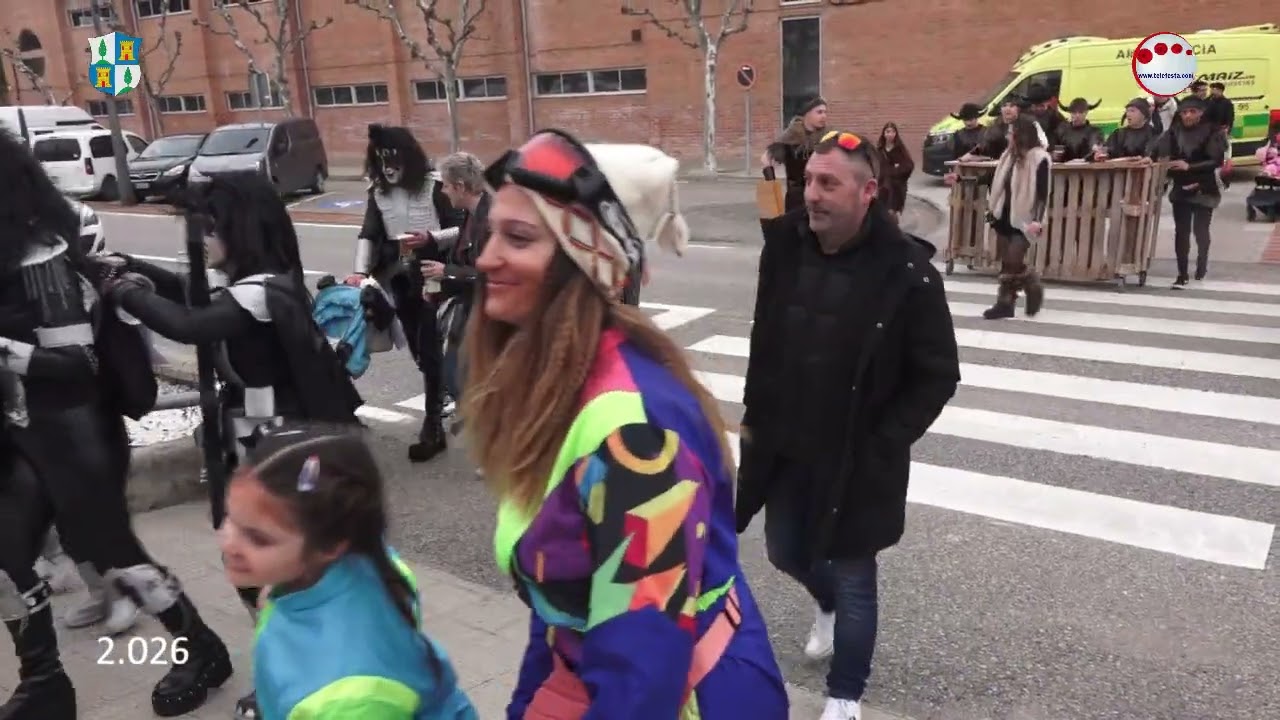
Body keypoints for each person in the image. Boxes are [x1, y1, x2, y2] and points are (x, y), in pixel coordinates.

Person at [466, 129, 787, 719]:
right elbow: (560, 621)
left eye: (517, 237)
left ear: (584, 261)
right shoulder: (554, 388)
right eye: (489, 232)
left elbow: (643, 674)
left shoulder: (635, 435)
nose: (485, 257)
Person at [84, 173, 362, 720]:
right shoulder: (262, 283)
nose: (204, 239)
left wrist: (126, 291)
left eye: (211, 228)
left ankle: (304, 677)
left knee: (280, 572)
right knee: (261, 570)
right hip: (264, 451)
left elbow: (191, 324)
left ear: (240, 228)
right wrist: (139, 272)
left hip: (285, 458)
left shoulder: (263, 289)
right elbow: (196, 301)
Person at [0, 127, 232, 719]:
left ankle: (199, 645)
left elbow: (76, 366)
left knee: (116, 555)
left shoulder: (44, 246)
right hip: (17, 428)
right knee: (6, 550)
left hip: (75, 425)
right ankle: (45, 682)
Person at [735, 129, 960, 720]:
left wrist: (884, 440)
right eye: (809, 179)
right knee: (785, 550)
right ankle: (825, 605)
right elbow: (766, 339)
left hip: (858, 456)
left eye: (828, 183)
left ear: (867, 193)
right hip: (784, 442)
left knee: (856, 571)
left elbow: (937, 375)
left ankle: (845, 693)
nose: (811, 194)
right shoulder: (782, 245)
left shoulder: (908, 272)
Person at [218, 422, 478, 719]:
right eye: (231, 517)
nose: (228, 542)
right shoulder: (357, 560)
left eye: (258, 537)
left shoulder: (347, 698)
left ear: (328, 546)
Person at [345, 124, 461, 463]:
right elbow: (369, 232)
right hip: (397, 278)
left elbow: (460, 227)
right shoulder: (377, 193)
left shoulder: (433, 187)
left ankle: (432, 424)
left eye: (393, 158)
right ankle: (438, 399)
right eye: (381, 160)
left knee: (430, 346)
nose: (388, 167)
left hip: (433, 275)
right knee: (420, 352)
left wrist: (431, 238)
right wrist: (360, 270)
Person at [425, 151, 489, 417]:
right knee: (455, 372)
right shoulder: (472, 213)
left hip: (490, 316)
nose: (444, 192)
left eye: (447, 186)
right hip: (471, 307)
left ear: (461, 187)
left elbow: (491, 274)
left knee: (461, 374)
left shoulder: (492, 219)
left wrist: (447, 272)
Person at [975, 116, 1052, 319]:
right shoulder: (1008, 156)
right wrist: (961, 179)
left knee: (1013, 259)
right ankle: (1007, 303)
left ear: (1021, 135)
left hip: (1025, 218)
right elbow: (994, 179)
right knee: (1007, 263)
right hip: (1003, 215)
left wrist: (1037, 220)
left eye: (1011, 132)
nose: (1007, 136)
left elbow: (1043, 192)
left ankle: (1031, 285)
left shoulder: (1039, 158)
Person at [1150, 95, 1228, 286]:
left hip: (1204, 186)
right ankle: (1182, 273)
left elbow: (1215, 160)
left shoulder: (1212, 131)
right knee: (1181, 232)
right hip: (1181, 187)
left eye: (1192, 112)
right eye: (1184, 112)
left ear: (1201, 113)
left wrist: (1189, 167)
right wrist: (1160, 160)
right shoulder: (1174, 132)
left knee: (1201, 230)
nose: (1187, 116)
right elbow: (1158, 150)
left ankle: (1202, 264)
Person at [764, 96, 829, 211]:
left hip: (822, 196)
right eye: (819, 112)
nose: (824, 116)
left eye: (825, 112)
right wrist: (772, 187)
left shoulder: (829, 137)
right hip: (796, 199)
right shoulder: (790, 137)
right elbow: (766, 159)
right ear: (807, 113)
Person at [876, 122, 914, 223]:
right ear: (884, 134)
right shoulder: (879, 150)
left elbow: (909, 165)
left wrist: (895, 171)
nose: (890, 134)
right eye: (888, 132)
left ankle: (893, 232)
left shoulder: (900, 149)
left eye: (893, 132)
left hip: (896, 187)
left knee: (891, 213)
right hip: (882, 187)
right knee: (882, 214)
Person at [1053, 98, 1103, 162]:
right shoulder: (1061, 131)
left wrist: (1084, 160)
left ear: (1086, 113)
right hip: (1065, 167)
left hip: (1087, 167)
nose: (1077, 115)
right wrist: (1055, 155)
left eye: (1080, 112)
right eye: (1074, 112)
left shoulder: (1094, 131)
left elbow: (1095, 147)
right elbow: (1055, 149)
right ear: (1070, 113)